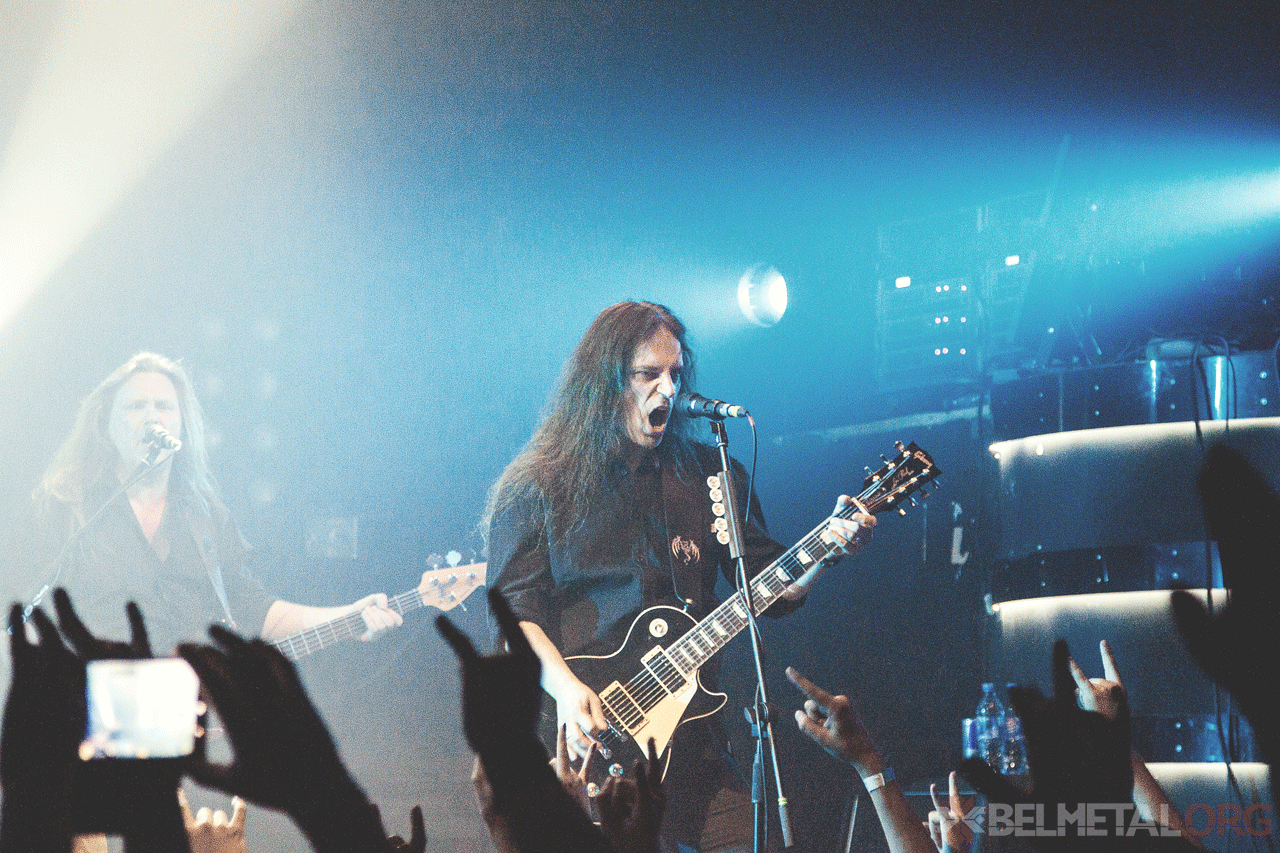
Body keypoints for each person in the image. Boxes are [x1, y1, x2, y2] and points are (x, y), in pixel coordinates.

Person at [485, 301, 875, 852]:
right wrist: (568, 691)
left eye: (675, 373)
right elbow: (513, 612)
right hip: (586, 745)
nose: (668, 390)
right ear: (604, 383)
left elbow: (770, 587)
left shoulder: (709, 473)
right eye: (648, 374)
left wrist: (827, 550)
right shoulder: (540, 484)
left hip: (695, 746)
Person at [5, 352, 405, 654]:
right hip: (93, 711)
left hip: (187, 715)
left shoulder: (206, 517)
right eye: (135, 406)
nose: (151, 417)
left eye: (164, 406)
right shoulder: (66, 507)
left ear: (182, 424)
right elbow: (21, 608)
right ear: (106, 428)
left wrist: (347, 616)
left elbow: (258, 612)